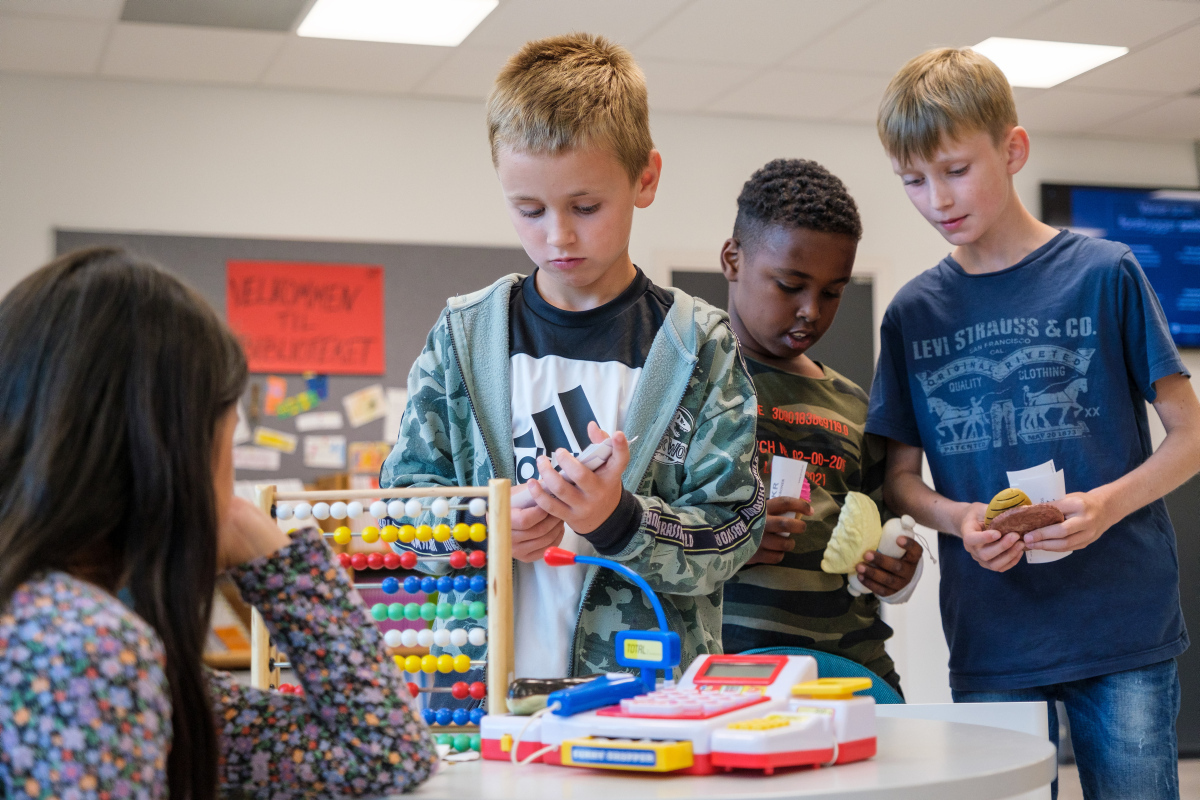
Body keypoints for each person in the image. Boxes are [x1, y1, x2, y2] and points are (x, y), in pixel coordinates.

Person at [867, 47, 1200, 799]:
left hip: (1122, 624)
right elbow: (899, 479)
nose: (935, 198)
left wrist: (1107, 505)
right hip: (995, 633)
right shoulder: (913, 314)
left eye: (954, 169)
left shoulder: (1105, 271)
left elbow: (1190, 436)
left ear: (1012, 149)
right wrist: (958, 519)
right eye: (912, 180)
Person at [381, 33, 764, 682]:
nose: (556, 235)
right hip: (483, 710)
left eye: (585, 207)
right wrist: (483, 526)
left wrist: (619, 520)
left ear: (645, 178)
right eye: (528, 209)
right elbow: (399, 510)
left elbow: (733, 530)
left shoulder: (698, 344)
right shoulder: (465, 335)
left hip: (645, 709)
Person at [0, 248, 436, 799]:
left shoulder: (67, 630)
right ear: (175, 454)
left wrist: (258, 542)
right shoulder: (87, 649)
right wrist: (283, 566)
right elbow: (389, 750)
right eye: (229, 440)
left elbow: (386, 755)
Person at [718, 158, 924, 696]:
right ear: (732, 259)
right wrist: (728, 539)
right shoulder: (687, 388)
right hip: (726, 675)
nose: (811, 310)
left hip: (850, 669)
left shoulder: (854, 405)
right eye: (790, 285)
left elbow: (881, 534)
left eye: (833, 292)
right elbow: (630, 533)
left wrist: (897, 571)